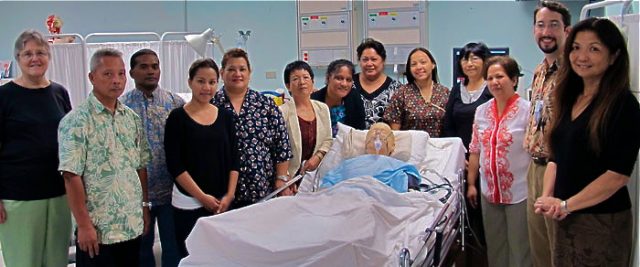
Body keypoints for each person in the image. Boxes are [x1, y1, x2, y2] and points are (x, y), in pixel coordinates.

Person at [534, 18, 640, 267]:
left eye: (594, 49)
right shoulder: (568, 97)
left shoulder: (624, 106)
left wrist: (566, 204)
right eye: (576, 47)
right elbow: (555, 157)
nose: (582, 56)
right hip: (564, 216)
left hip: (601, 222)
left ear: (613, 56)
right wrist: (547, 197)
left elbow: (617, 176)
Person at [58, 48, 151, 266]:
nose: (116, 81)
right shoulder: (77, 121)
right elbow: (71, 176)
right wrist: (83, 225)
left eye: (120, 74)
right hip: (99, 229)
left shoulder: (131, 119)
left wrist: (145, 206)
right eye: (108, 74)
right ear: (92, 77)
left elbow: (140, 166)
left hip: (130, 223)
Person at [0, 29, 72, 267]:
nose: (34, 58)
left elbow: (71, 143)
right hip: (19, 198)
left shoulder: (59, 93)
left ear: (49, 56)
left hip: (59, 194)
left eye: (40, 52)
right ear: (18, 59)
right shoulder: (5, 96)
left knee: (56, 261)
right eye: (27, 53)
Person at [165, 58, 239, 259]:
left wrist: (229, 195)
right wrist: (201, 197)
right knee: (193, 257)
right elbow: (175, 165)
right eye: (201, 81)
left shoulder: (225, 117)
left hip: (221, 202)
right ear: (190, 82)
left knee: (221, 257)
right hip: (189, 202)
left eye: (212, 82)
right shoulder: (177, 118)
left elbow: (234, 159)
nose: (206, 87)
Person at [467, 56, 531, 267]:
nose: (495, 82)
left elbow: (536, 151)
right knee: (495, 249)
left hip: (519, 192)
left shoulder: (527, 111)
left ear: (513, 79)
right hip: (489, 191)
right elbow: (475, 150)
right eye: (490, 77)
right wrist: (471, 184)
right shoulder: (481, 111)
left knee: (520, 249)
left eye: (500, 76)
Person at [121, 49, 183, 267]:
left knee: (173, 250)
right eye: (144, 67)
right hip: (135, 195)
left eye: (155, 66)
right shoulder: (122, 106)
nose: (151, 71)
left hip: (170, 192)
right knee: (141, 253)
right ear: (132, 72)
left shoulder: (175, 103)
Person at [211, 48, 292, 208]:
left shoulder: (265, 104)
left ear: (249, 72)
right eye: (231, 69)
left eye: (242, 69)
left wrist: (281, 178)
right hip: (222, 193)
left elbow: (282, 144)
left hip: (262, 189)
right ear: (222, 73)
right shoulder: (212, 105)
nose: (237, 74)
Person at [523, 2, 571, 266]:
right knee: (539, 248)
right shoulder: (541, 70)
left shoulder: (573, 72)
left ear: (567, 30)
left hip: (560, 169)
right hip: (535, 165)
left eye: (554, 25)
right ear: (534, 31)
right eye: (541, 25)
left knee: (559, 249)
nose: (546, 32)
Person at [442, 41, 493, 267]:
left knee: (485, 216)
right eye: (465, 58)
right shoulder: (457, 89)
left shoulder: (492, 88)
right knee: (464, 216)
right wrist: (459, 154)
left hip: (488, 160)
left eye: (475, 58)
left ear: (485, 61)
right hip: (461, 160)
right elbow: (448, 125)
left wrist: (479, 159)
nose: (469, 63)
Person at [280, 61, 332, 178]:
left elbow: (328, 140)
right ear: (288, 85)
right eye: (295, 79)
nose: (302, 82)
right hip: (290, 177)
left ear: (312, 81)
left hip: (316, 173)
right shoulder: (282, 112)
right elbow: (278, 150)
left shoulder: (322, 108)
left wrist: (318, 157)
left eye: (306, 77)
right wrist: (285, 177)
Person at [383, 47, 450, 136]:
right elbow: (395, 132)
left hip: (440, 147)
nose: (419, 67)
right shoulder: (402, 93)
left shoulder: (444, 93)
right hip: (410, 147)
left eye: (423, 62)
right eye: (413, 64)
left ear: (433, 65)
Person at [353, 38, 402, 128]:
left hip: (384, 140)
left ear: (383, 61)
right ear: (359, 61)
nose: (369, 63)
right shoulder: (349, 84)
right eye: (365, 60)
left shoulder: (396, 88)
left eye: (374, 59)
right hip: (353, 139)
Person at [311, 59, 366, 136]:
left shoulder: (354, 98)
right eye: (339, 78)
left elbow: (360, 131)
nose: (344, 84)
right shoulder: (313, 100)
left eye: (348, 80)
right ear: (328, 78)